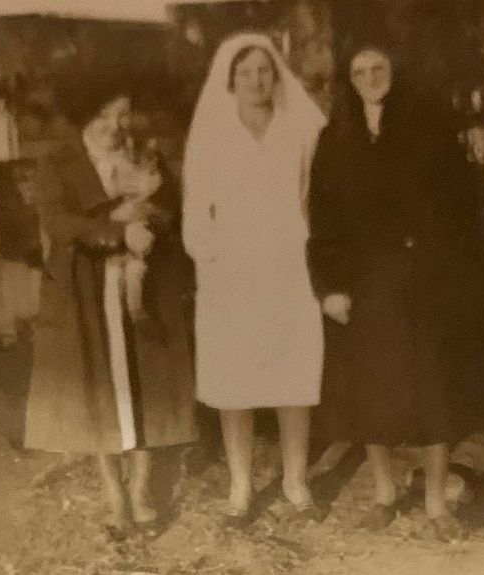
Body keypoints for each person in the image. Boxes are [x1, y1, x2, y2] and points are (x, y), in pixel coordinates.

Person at [306, 38, 470, 542]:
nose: (370, 78)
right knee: (370, 391)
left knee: (432, 388)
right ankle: (383, 493)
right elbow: (324, 218)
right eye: (359, 71)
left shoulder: (429, 129)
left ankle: (437, 503)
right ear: (348, 81)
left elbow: (458, 205)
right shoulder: (336, 139)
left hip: (422, 280)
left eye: (379, 67)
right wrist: (330, 286)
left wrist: (441, 266)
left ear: (395, 71)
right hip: (364, 284)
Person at [24, 89, 198, 539]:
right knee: (100, 384)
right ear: (84, 118)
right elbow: (59, 224)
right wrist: (117, 232)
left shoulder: (144, 156)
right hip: (86, 285)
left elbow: (172, 210)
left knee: (144, 381)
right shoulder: (59, 164)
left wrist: (151, 223)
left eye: (122, 115)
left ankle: (140, 491)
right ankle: (113, 496)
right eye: (104, 116)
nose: (114, 126)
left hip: (143, 283)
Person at [182, 32, 327, 526]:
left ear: (276, 75)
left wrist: (314, 251)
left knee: (294, 375)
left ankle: (295, 481)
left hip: (290, 264)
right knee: (234, 379)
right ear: (230, 79)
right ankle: (241, 488)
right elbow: (195, 205)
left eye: (264, 70)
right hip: (233, 271)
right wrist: (209, 255)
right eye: (244, 72)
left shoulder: (300, 128)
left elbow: (317, 195)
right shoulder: (212, 133)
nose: (255, 80)